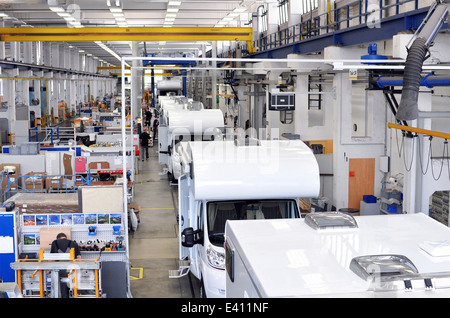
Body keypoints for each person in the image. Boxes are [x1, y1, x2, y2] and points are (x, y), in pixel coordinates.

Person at [50, 232, 81, 298]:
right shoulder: (73, 244)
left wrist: (48, 270)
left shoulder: (55, 243)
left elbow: (52, 259)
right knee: (74, 291)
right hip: (72, 271)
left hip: (61, 271)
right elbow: (79, 258)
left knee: (63, 291)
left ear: (57, 239)